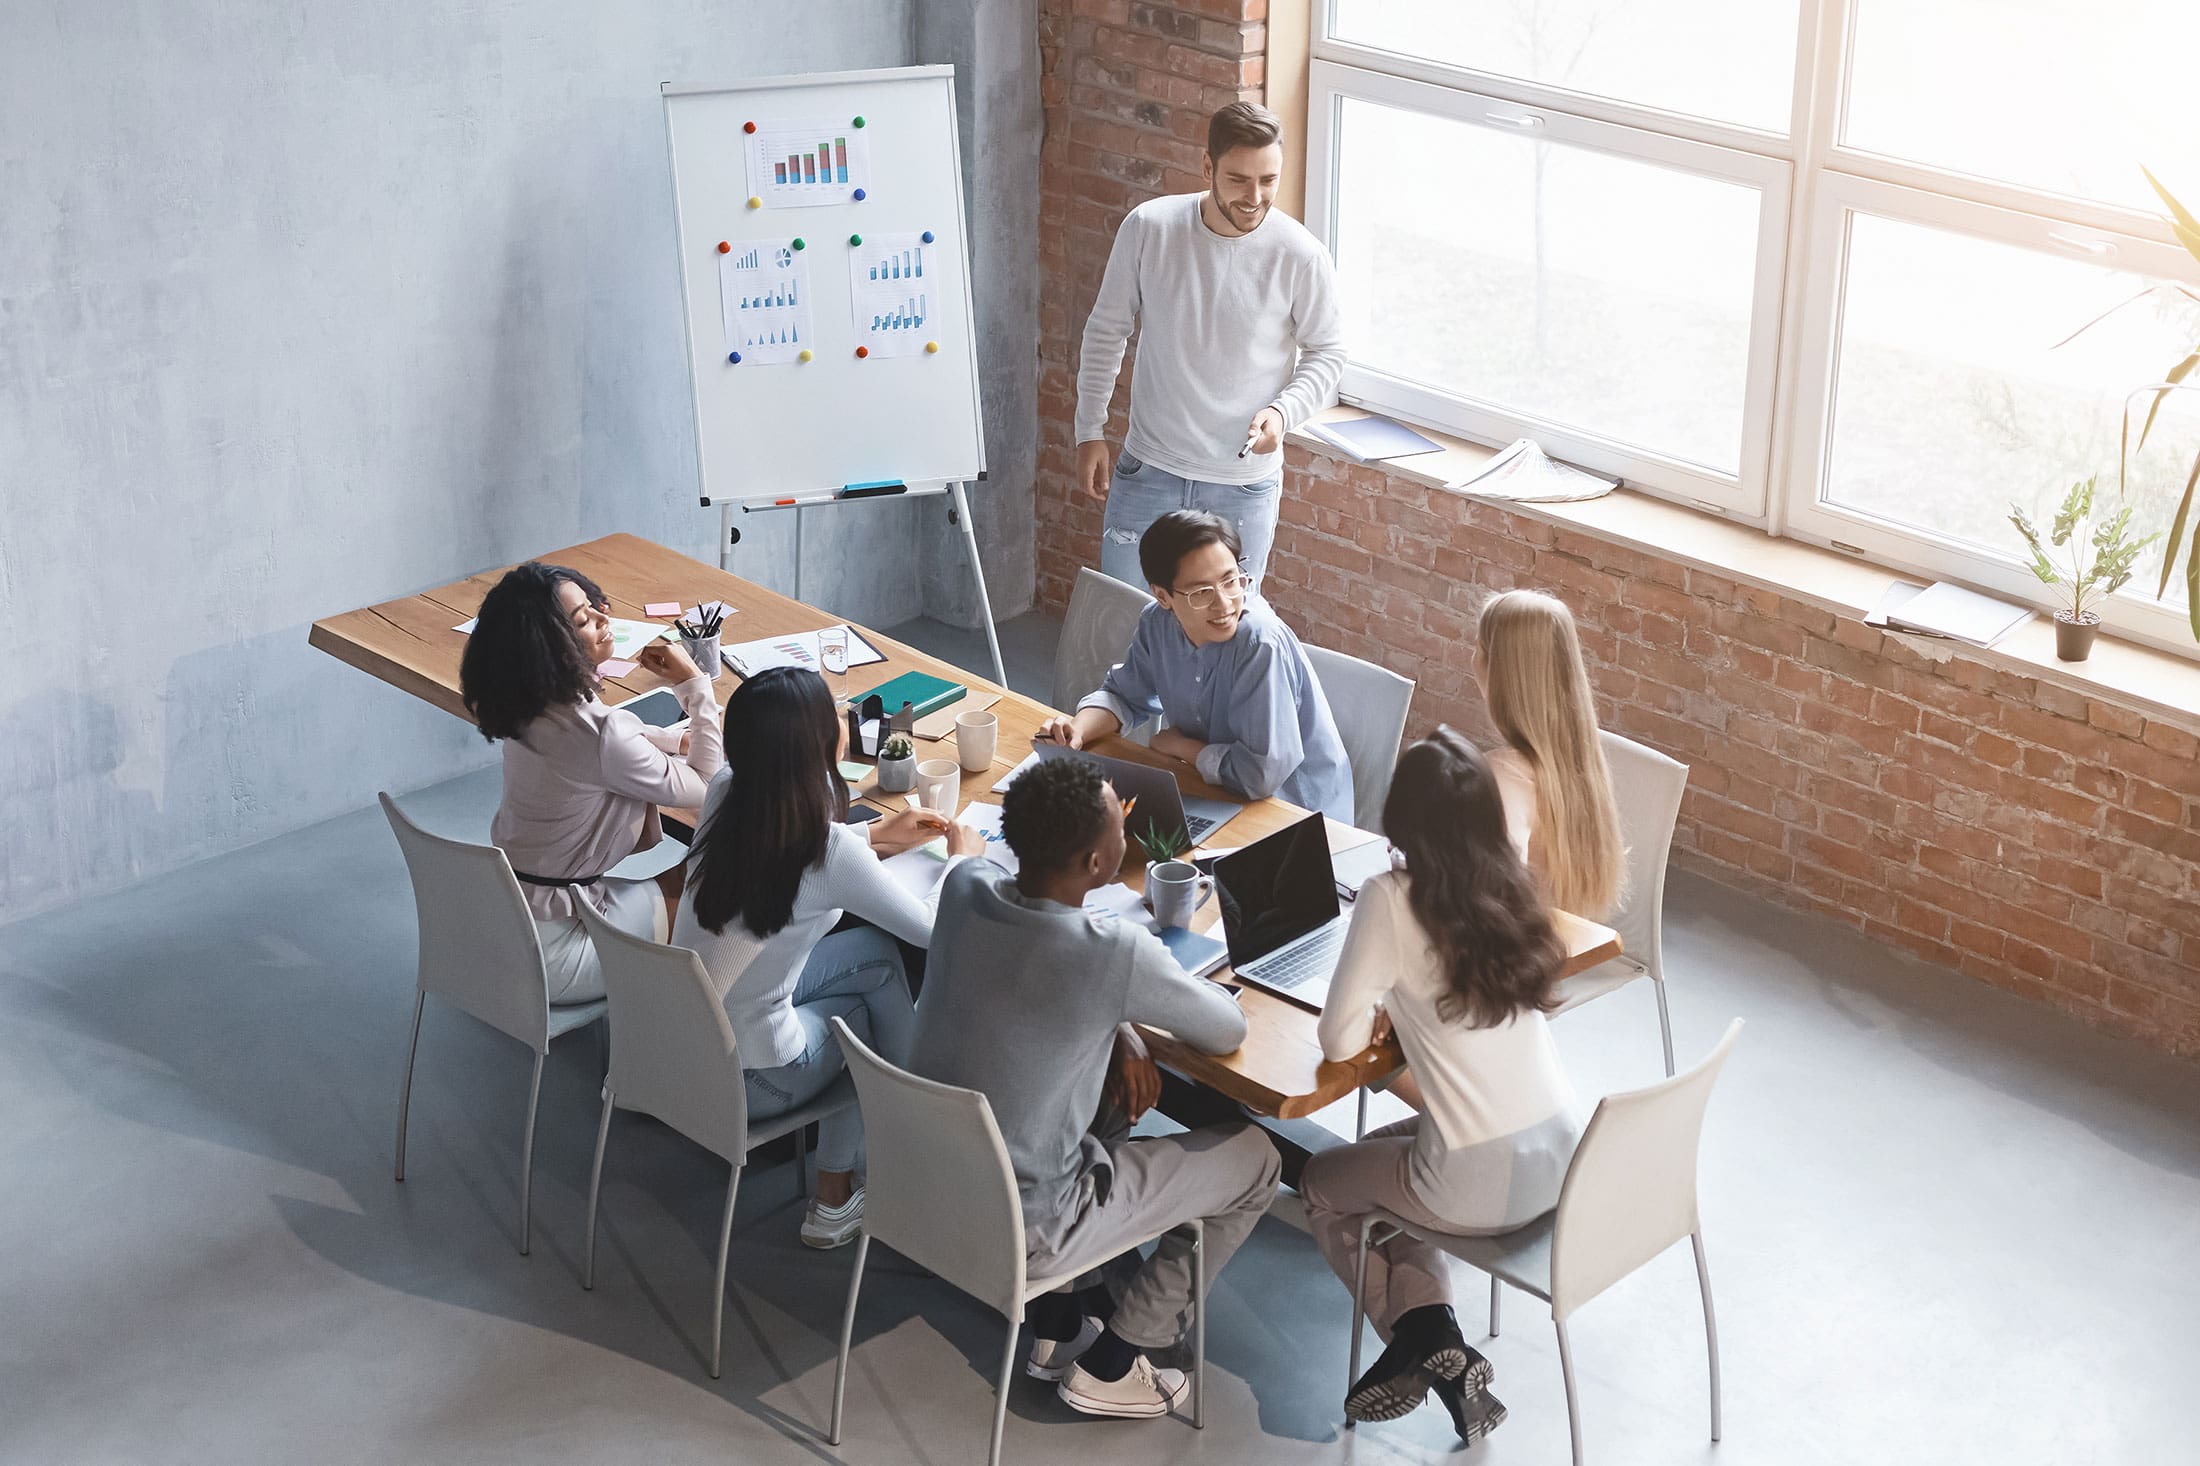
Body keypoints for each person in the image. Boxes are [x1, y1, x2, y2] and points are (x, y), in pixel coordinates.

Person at [910, 756, 1280, 1420]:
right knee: (1259, 1159)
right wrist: (1125, 1013)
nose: (1126, 833)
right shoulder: (1112, 951)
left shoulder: (964, 890)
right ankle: (1124, 1355)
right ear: (1098, 864)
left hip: (931, 1191)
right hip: (1033, 1225)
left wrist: (1121, 1031)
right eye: (1119, 828)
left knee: (1106, 1090)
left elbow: (971, 869)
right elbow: (1224, 1029)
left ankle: (1057, 1320)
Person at [1297, 729, 1580, 1442]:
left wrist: (1385, 1008)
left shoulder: (1391, 897)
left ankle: (1421, 1339)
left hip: (1474, 1181)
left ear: (1405, 820)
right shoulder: (1510, 883)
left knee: (1326, 1181)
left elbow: (1337, 1041)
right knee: (1395, 1170)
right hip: (1562, 1162)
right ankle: (1440, 1346)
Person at [673, 667, 982, 1248]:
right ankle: (840, 1197)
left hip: (684, 1044)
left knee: (871, 953)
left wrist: (881, 838)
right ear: (820, 744)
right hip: (747, 1080)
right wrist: (962, 859)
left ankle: (913, 1129)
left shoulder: (726, 791)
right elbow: (934, 930)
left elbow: (789, 851)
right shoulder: (828, 851)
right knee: (859, 1020)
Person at [1075, 100, 1346, 593]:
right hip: (1148, 470)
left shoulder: (1302, 256)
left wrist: (1283, 414)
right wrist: (1089, 428)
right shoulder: (1149, 228)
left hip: (1243, 485)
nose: (1255, 196)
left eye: (1268, 180)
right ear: (1207, 167)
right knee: (1125, 629)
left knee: (1226, 639)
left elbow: (1328, 353)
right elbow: (1106, 329)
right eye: (1239, 179)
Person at [461, 561, 721, 1005]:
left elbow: (605, 741)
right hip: (556, 957)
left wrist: (678, 738)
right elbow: (709, 783)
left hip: (505, 921)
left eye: (597, 607)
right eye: (584, 619)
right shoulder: (602, 737)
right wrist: (694, 683)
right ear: (551, 645)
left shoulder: (526, 705)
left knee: (697, 872)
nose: (605, 620)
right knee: (723, 879)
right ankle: (691, 1019)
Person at [1035, 510, 1353, 824]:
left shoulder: (1259, 643)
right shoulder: (1157, 623)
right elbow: (1124, 695)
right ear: (1162, 596)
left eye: (1231, 581)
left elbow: (1259, 775)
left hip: (1294, 812)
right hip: (1211, 791)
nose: (1224, 603)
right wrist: (1077, 730)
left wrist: (1182, 747)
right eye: (1202, 592)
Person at [1476, 589, 1626, 917]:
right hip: (1556, 951)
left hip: (1506, 957)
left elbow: (1494, 887)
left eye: (1481, 648)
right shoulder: (1580, 765)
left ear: (1498, 673)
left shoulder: (1505, 773)